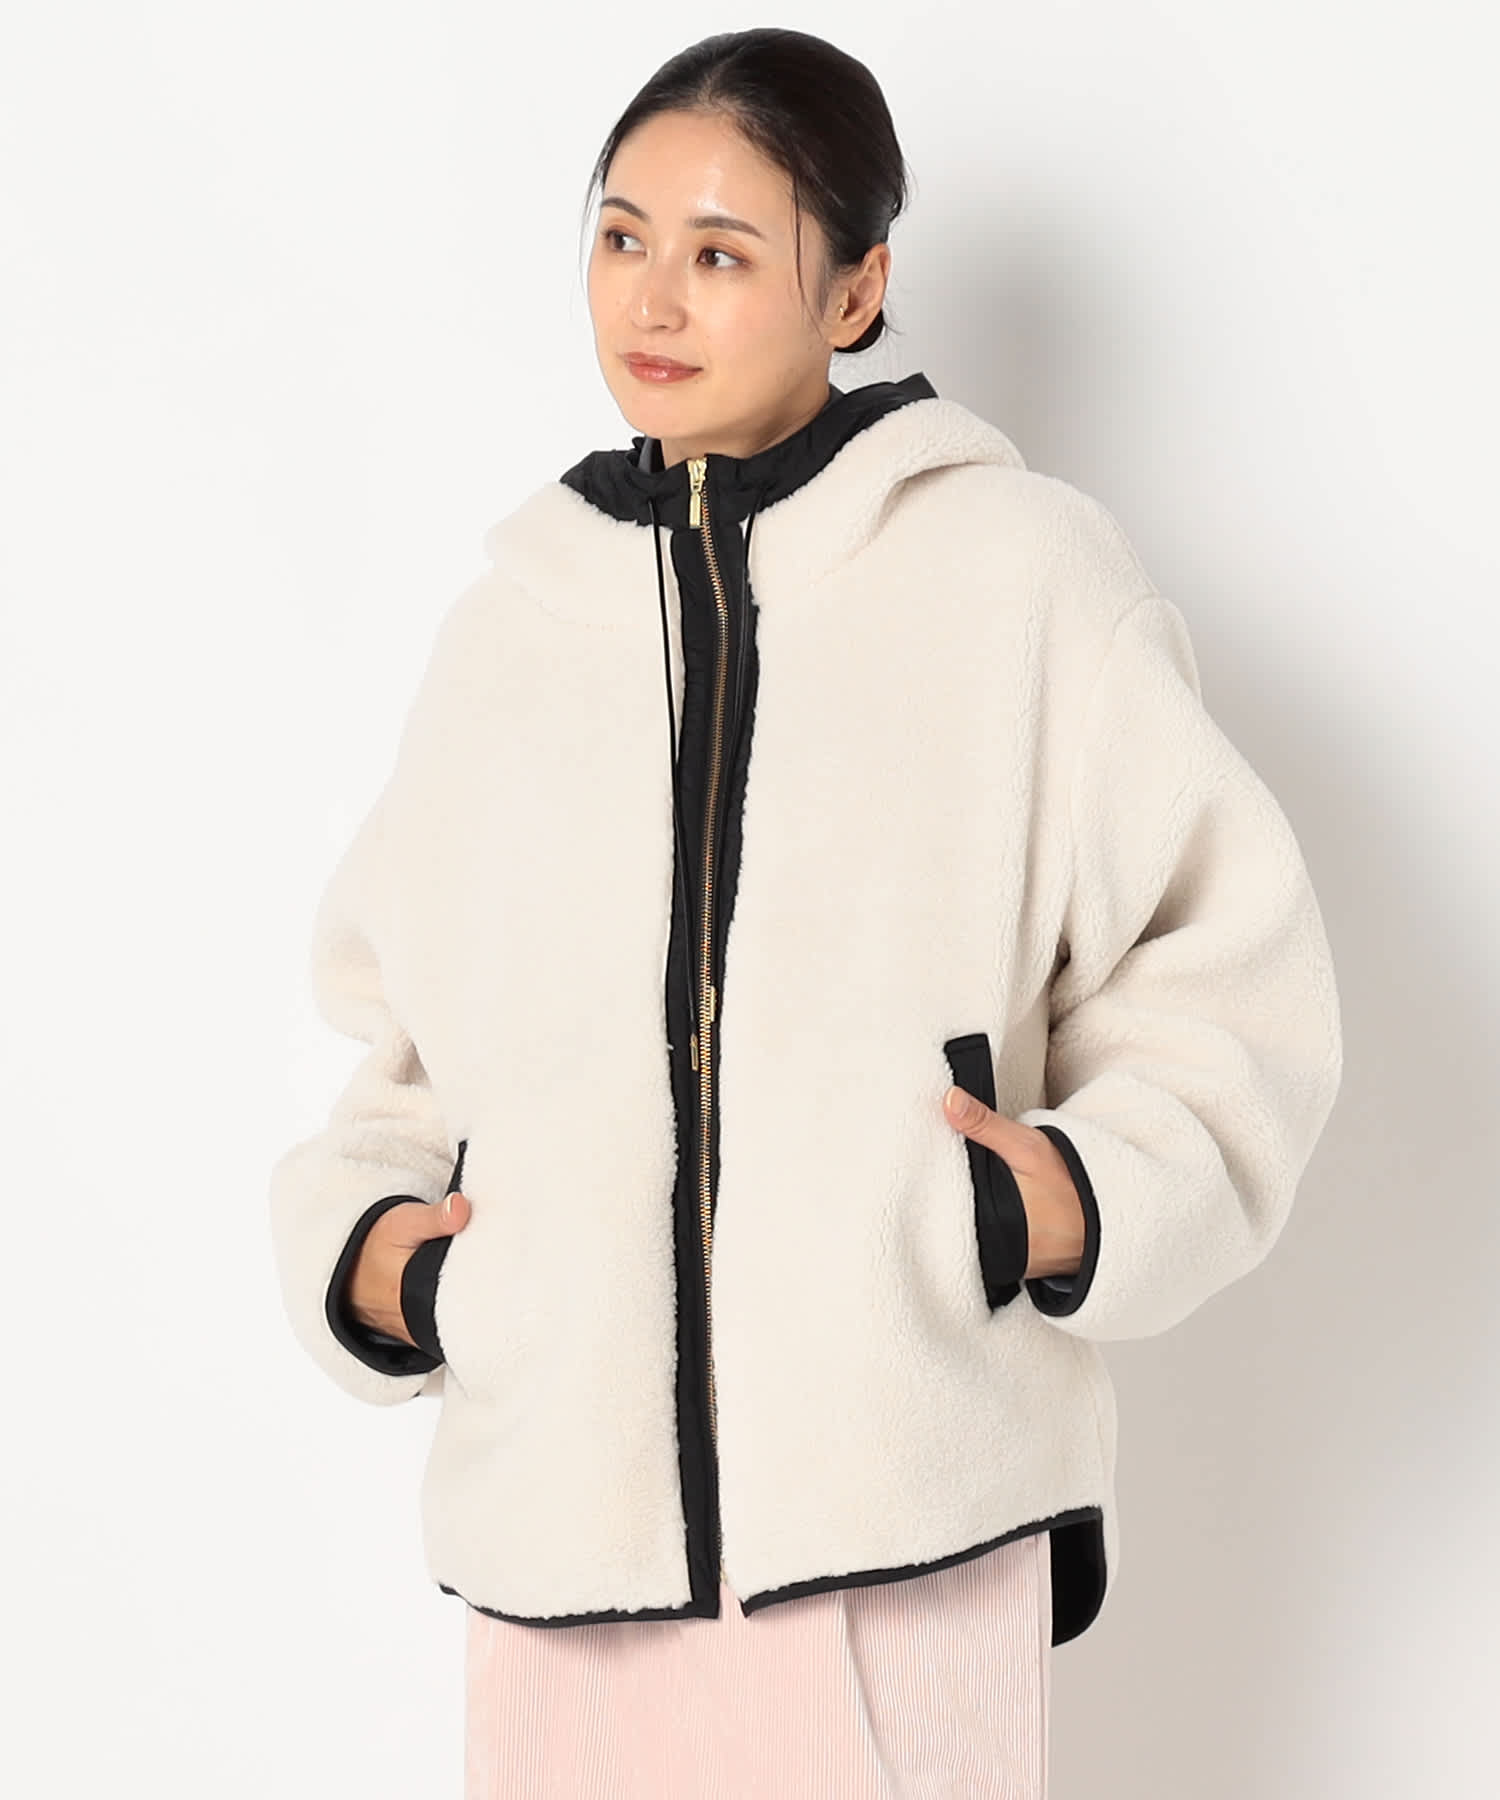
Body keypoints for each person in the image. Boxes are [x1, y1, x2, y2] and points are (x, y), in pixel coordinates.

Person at [267, 27, 1344, 1800]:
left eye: (721, 252)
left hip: (904, 1526)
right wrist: (391, 1263)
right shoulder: (509, 636)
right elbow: (403, 1045)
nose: (652, 299)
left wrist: (1046, 1205)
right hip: (564, 1556)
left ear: (856, 288)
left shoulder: (1022, 579)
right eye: (623, 237)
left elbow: (1227, 977)